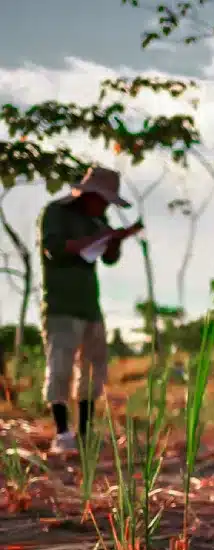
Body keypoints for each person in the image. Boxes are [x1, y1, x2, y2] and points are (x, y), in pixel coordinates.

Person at [38, 166, 143, 454]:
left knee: (93, 368)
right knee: (60, 368)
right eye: (104, 199)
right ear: (90, 193)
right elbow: (54, 248)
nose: (106, 205)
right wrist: (96, 239)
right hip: (61, 304)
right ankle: (62, 433)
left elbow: (109, 260)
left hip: (89, 306)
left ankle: (84, 434)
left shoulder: (98, 219)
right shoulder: (56, 212)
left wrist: (114, 240)